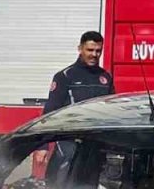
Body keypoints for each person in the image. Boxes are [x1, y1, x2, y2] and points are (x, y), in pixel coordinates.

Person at [43, 32, 114, 179]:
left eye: (98, 51)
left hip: (95, 147)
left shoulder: (105, 78)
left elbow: (112, 111)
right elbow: (49, 112)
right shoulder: (65, 76)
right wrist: (42, 147)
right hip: (68, 146)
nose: (94, 54)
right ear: (80, 49)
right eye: (90, 50)